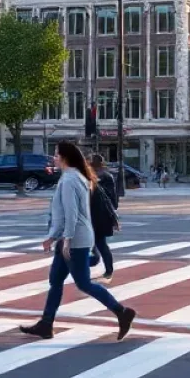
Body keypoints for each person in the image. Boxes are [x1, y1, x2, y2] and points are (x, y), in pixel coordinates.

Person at [19, 140, 135, 341]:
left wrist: (66, 240)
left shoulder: (71, 180)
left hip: (75, 240)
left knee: (84, 283)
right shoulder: (73, 177)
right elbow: (64, 214)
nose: (53, 158)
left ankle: (122, 312)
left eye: (56, 155)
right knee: (55, 280)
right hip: (70, 238)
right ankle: (46, 324)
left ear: (64, 158)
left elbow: (71, 215)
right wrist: (53, 237)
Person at [87, 153, 120, 284]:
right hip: (101, 216)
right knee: (98, 243)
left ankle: (101, 266)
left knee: (97, 244)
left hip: (95, 216)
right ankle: (107, 268)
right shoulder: (106, 176)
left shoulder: (97, 177)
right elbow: (113, 199)